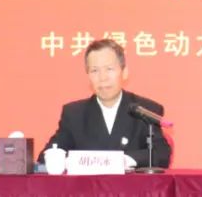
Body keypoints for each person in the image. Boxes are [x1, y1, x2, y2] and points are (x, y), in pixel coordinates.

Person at [42, 39, 172, 169]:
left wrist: (125, 160)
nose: (102, 78)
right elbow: (46, 156)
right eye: (94, 71)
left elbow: (161, 155)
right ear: (88, 76)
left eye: (109, 69)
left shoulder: (145, 110)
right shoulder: (74, 114)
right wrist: (59, 159)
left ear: (124, 72)